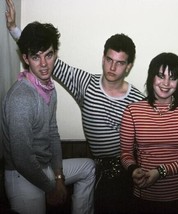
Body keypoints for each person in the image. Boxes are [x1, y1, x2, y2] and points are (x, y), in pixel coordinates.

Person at [5, 0, 144, 213]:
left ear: (129, 66)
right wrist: (15, 29)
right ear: (103, 58)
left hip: (127, 168)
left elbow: (151, 132)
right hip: (99, 170)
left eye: (120, 62)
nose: (112, 67)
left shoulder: (137, 99)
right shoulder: (85, 83)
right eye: (109, 60)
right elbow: (44, 57)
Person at [2, 21, 96, 214]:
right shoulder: (21, 98)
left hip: (44, 167)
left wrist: (59, 177)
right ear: (26, 58)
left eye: (49, 55)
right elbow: (22, 159)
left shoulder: (49, 89)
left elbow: (53, 133)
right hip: (22, 175)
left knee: (88, 167)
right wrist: (52, 187)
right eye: (36, 57)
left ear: (55, 54)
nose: (44, 65)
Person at [120, 52, 178, 214]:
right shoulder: (132, 111)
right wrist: (133, 169)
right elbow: (125, 153)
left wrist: (161, 171)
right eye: (160, 76)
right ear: (152, 77)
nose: (166, 83)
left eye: (172, 78)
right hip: (143, 197)